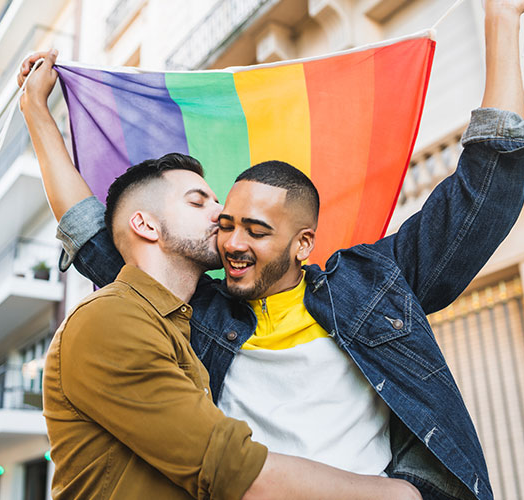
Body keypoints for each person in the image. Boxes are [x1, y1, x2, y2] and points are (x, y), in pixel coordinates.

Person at [20, 0, 524, 498]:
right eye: (223, 223)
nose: (230, 241)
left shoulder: (371, 283)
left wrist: (501, 19)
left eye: (254, 229)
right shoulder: (191, 314)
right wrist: (38, 116)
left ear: (303, 244)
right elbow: (93, 231)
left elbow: (482, 195)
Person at [39, 151, 421, 499]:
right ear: (146, 226)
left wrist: (37, 111)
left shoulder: (181, 325)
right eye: (198, 201)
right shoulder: (110, 320)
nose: (220, 214)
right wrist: (397, 494)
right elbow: (229, 469)